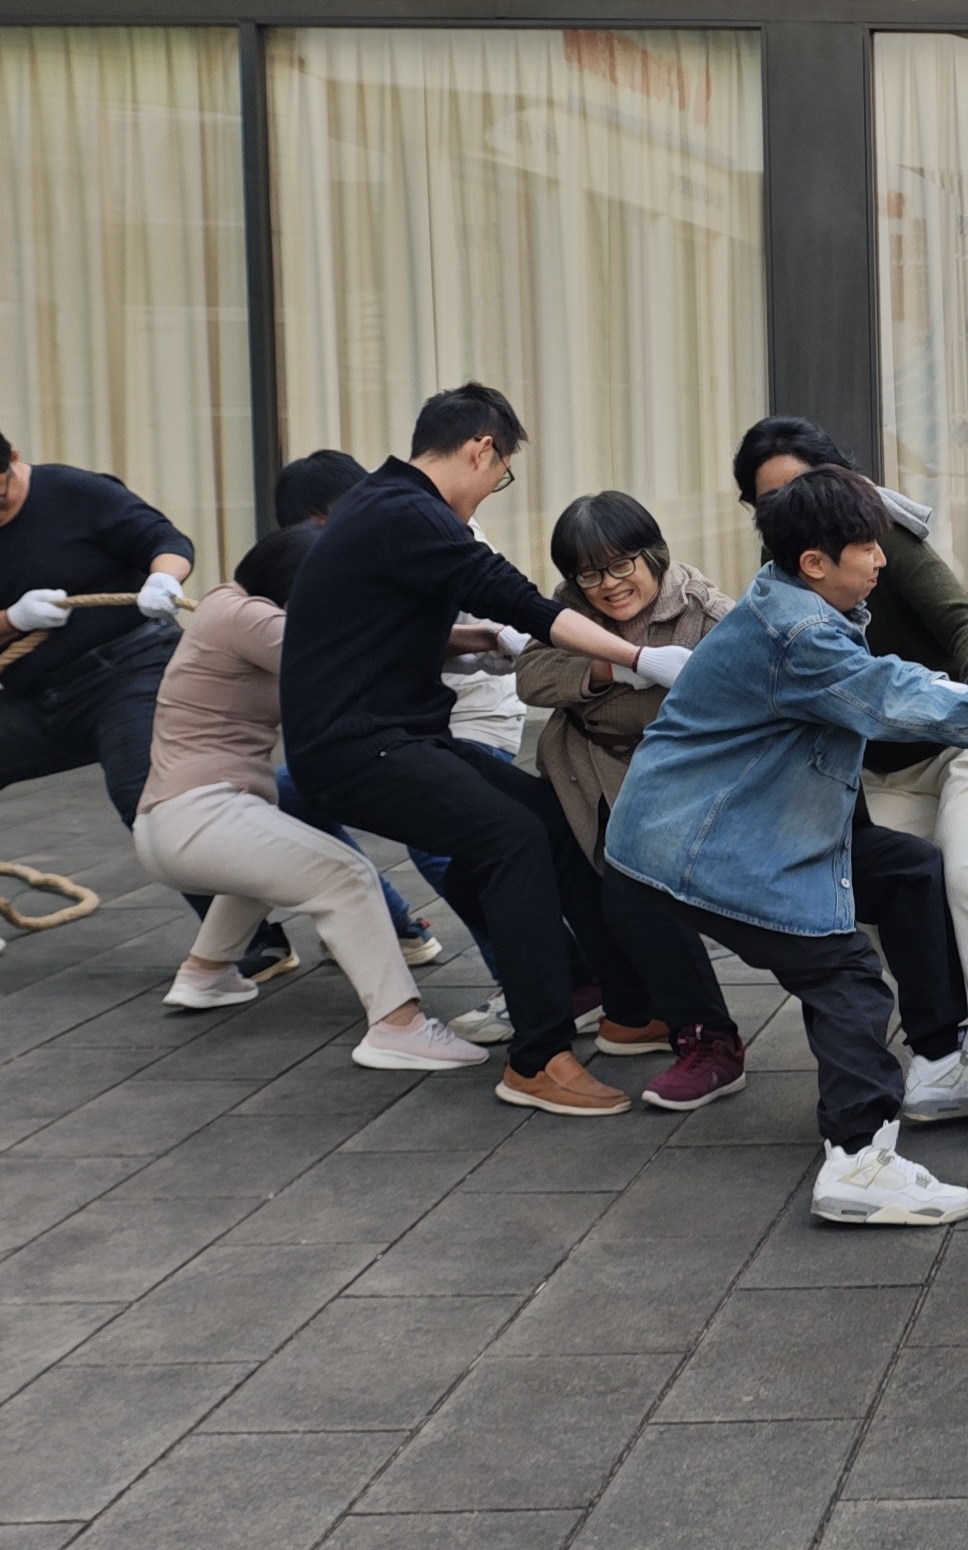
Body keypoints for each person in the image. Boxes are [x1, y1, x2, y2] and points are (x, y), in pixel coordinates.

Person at [605, 465, 968, 1229]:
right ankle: (857, 1160)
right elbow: (890, 697)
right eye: (868, 548)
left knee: (911, 871)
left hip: (736, 823)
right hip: (704, 846)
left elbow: (880, 679)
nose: (882, 560)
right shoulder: (800, 633)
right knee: (845, 974)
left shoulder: (794, 598)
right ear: (815, 561)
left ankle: (941, 1064)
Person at [279, 384, 698, 1119]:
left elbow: (378, 623)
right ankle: (538, 1058)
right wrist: (639, 658)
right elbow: (525, 602)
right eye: (501, 473)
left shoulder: (379, 505)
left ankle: (630, 1008)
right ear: (482, 450)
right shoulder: (412, 512)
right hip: (358, 748)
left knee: (550, 822)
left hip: (395, 735)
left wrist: (476, 642)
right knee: (511, 841)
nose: (492, 487)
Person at [734, 417, 968, 1145]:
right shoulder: (781, 584)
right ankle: (949, 1057)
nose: (796, 509)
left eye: (804, 486)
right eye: (771, 502)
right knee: (891, 886)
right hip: (891, 762)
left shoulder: (877, 537)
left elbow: (963, 621)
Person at [133, 524, 486, 1074]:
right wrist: (474, 641)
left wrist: (475, 641)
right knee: (347, 876)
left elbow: (354, 643)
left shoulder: (234, 610)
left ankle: (206, 973)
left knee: (277, 856)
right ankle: (397, 1026)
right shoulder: (247, 617)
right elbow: (354, 659)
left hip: (177, 824)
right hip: (200, 818)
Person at [0, 413, 199, 971]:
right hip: (40, 696)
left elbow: (166, 541)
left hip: (132, 669)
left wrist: (164, 578)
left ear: (12, 459)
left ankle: (251, 939)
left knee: (144, 794)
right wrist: (12, 619)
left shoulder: (76, 492)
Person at [515, 492, 744, 1110]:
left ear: (654, 555)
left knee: (639, 895)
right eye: (589, 574)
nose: (609, 586)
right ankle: (634, 1009)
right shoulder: (569, 606)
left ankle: (711, 1039)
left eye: (621, 566)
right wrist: (610, 670)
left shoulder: (704, 613)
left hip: (670, 778)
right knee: (560, 870)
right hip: (579, 768)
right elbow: (531, 676)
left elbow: (751, 697)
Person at [256, 449, 442, 979]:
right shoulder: (348, 557)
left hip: (463, 714)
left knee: (440, 837)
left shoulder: (409, 539)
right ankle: (392, 924)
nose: (316, 546)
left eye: (316, 529)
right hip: (385, 722)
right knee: (289, 791)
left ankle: (529, 975)